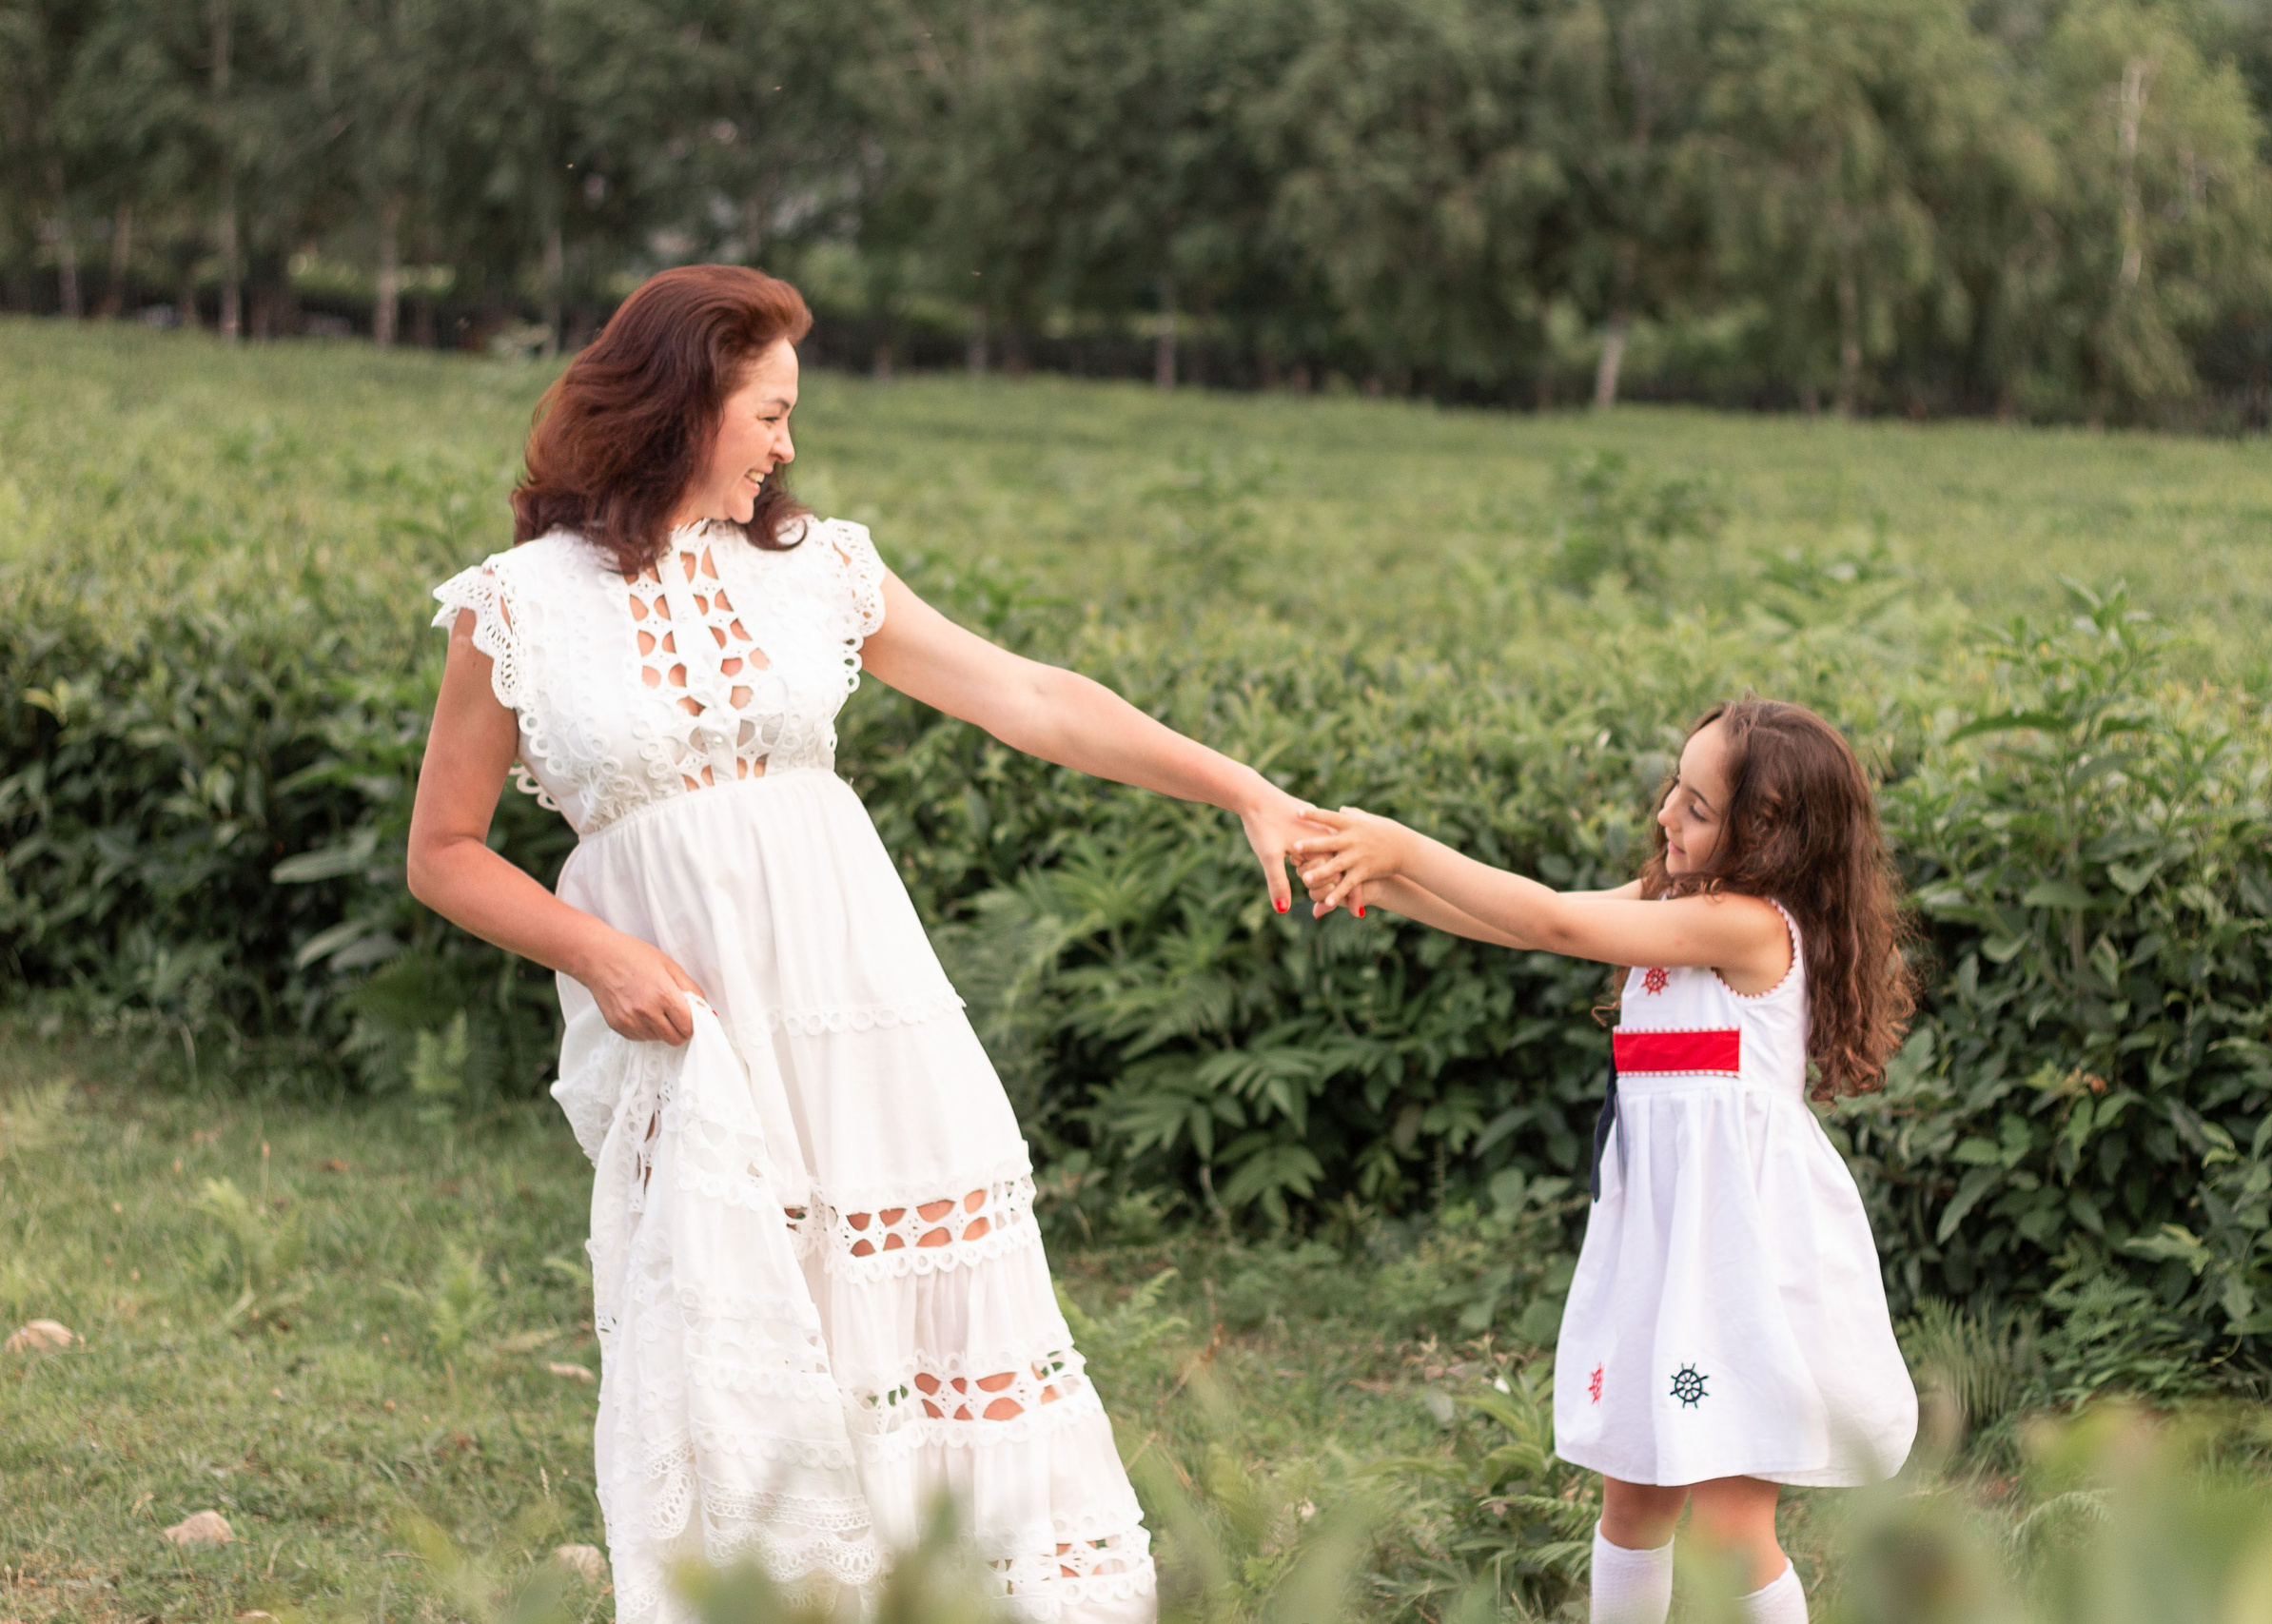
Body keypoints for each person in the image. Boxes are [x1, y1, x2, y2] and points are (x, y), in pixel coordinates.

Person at [405, 264, 1316, 1622]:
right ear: (680, 404)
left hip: (862, 997)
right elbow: (443, 852)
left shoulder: (817, 567)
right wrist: (597, 950)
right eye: (767, 411)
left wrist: (1246, 786)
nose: (786, 443)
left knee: (914, 1275)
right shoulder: (518, 605)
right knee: (736, 1307)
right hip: (694, 1023)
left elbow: (1032, 698)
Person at [1290, 699, 1919, 1624]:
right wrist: (1382, 884)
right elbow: (1528, 922)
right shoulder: (1680, 904)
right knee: (1630, 1497)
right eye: (1676, 786)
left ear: (1768, 838)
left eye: (1697, 808)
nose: (1667, 812)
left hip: (1738, 1257)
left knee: (1730, 1529)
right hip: (1660, 1247)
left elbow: (1554, 924)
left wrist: (1403, 848)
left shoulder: (1748, 926)